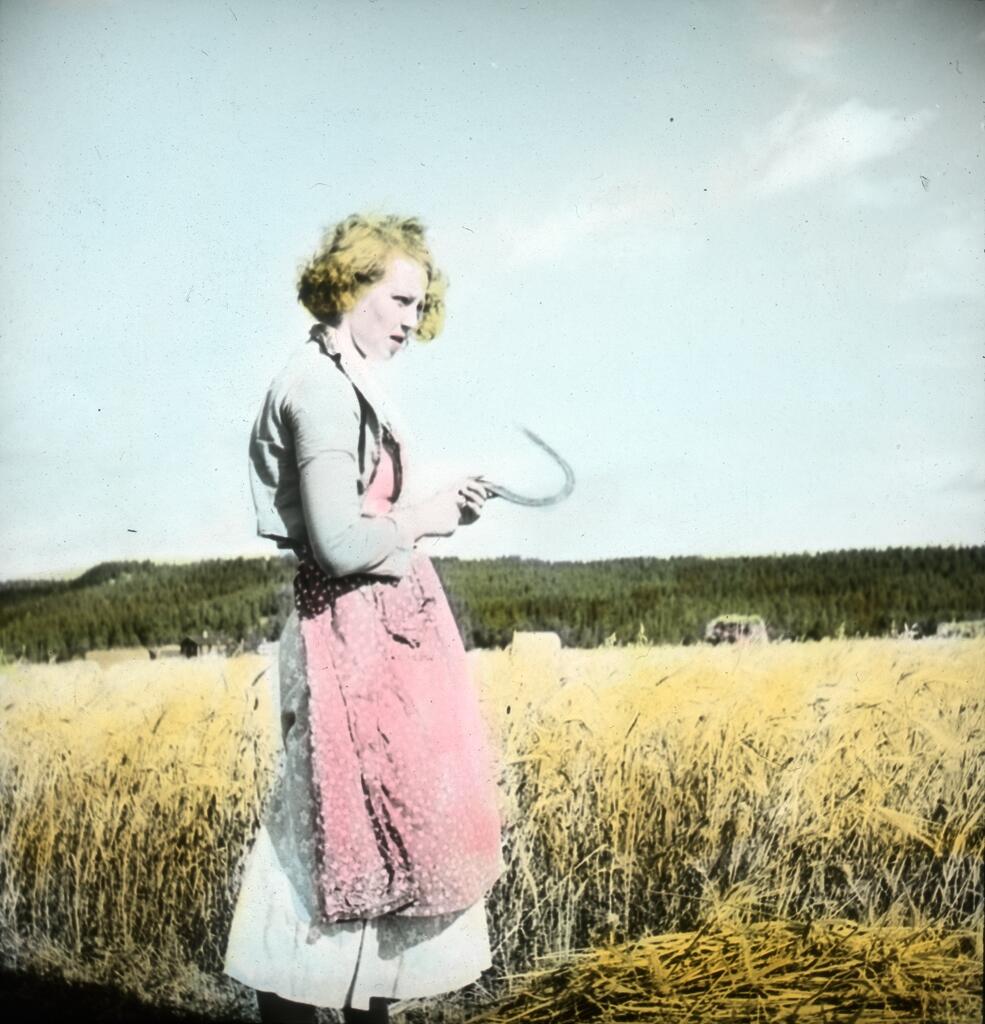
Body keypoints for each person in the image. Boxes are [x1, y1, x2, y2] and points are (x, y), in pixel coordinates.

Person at [223, 214, 504, 1024]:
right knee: (335, 835)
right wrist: (427, 517)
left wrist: (435, 509)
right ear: (349, 286)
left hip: (373, 639)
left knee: (371, 834)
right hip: (348, 639)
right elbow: (340, 544)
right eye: (401, 300)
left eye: (422, 305)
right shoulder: (318, 390)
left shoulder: (343, 379)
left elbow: (359, 520)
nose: (413, 321)